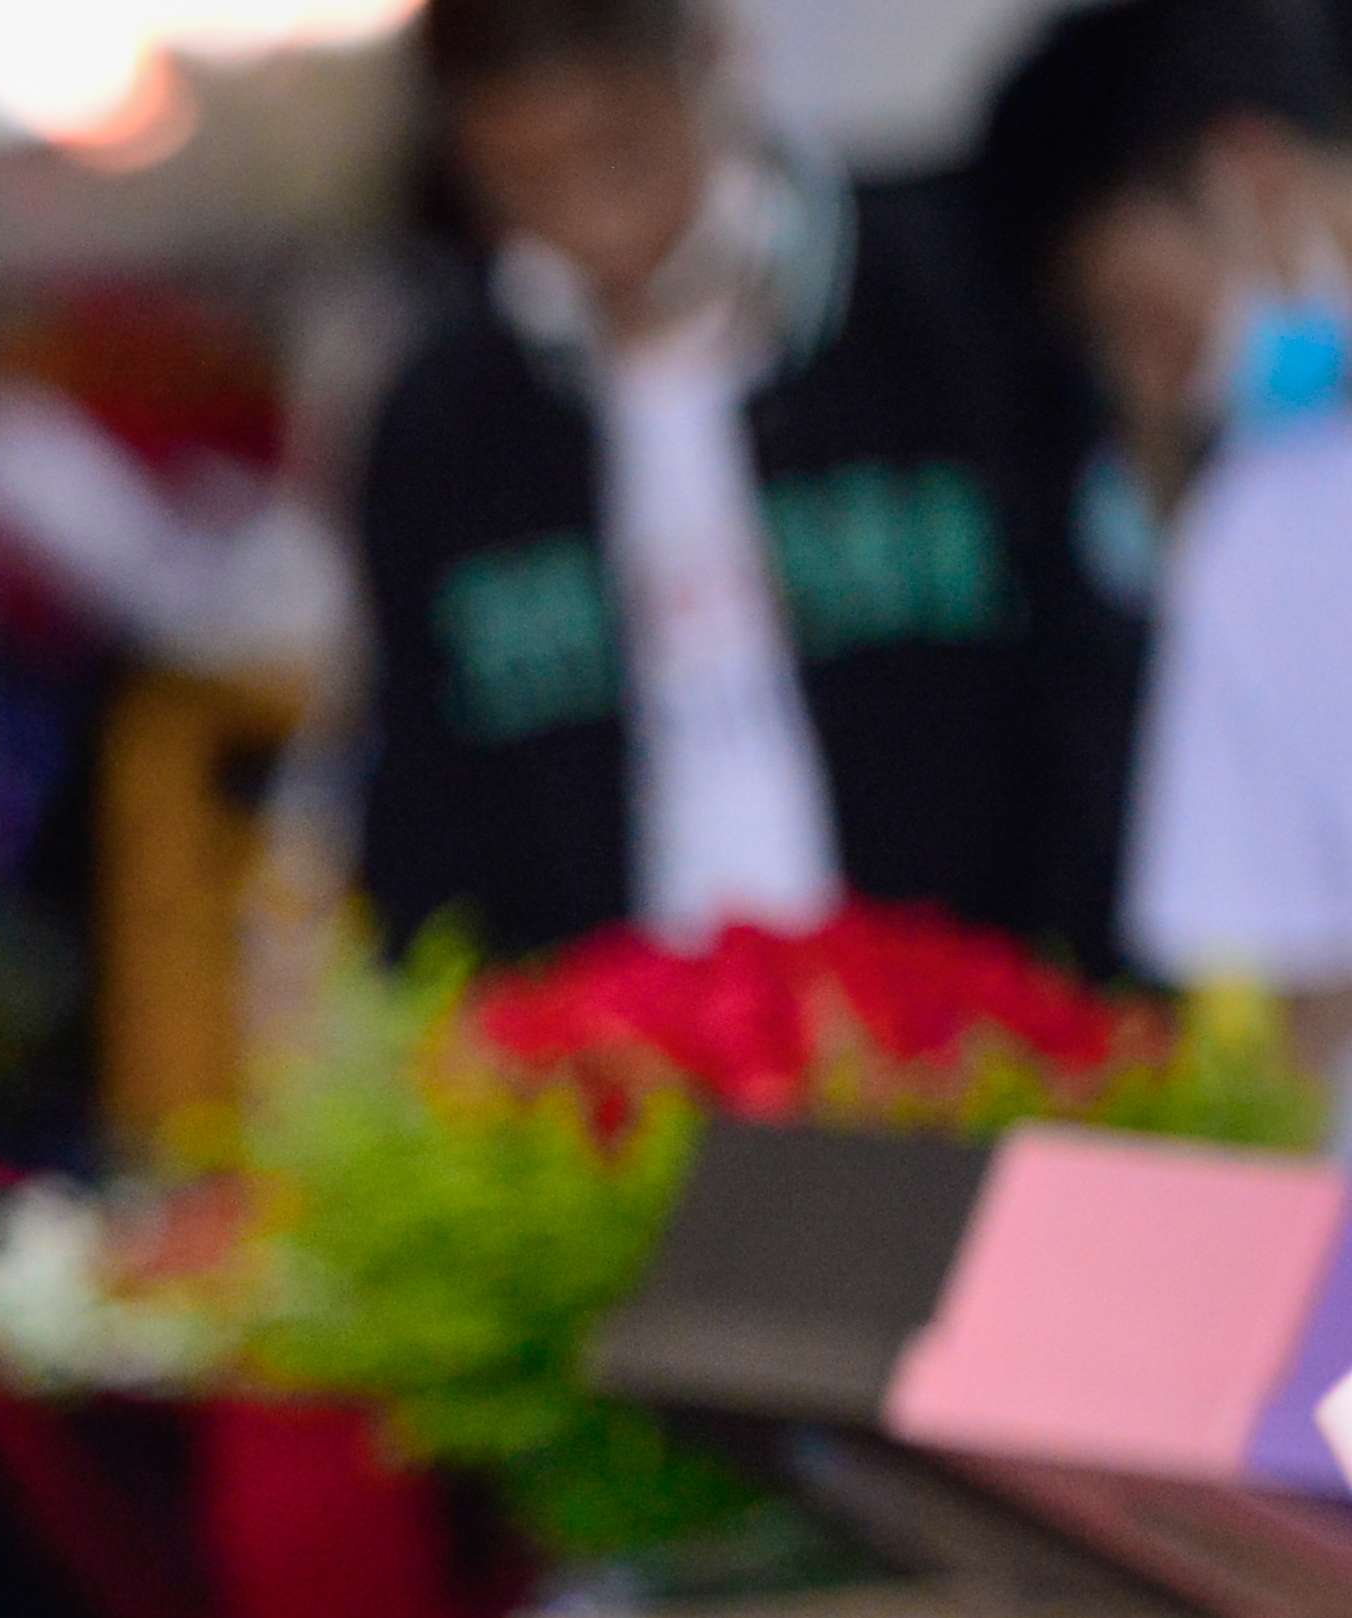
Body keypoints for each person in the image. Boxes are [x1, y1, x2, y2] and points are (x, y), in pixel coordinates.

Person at [354, 0, 1060, 960]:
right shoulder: (448, 425)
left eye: (618, 154)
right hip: (616, 1023)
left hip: (958, 998)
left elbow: (1078, 665)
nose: (587, 220)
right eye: (525, 178)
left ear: (710, 67)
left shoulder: (943, 304)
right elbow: (422, 786)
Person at [982, 0, 1352, 1129]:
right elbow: (1293, 1007)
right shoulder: (1263, 531)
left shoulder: (1267, 530)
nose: (1158, 384)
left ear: (1248, 173)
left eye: (1150, 324)